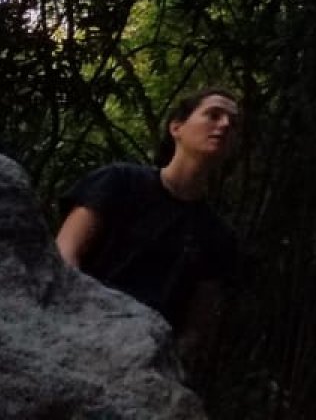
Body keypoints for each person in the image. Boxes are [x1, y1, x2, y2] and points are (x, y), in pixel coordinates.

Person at [57, 87, 242, 366]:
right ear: (176, 128)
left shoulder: (217, 237)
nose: (225, 124)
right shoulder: (118, 182)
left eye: (233, 122)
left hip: (143, 361)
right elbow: (64, 254)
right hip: (73, 329)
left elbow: (197, 329)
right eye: (213, 115)